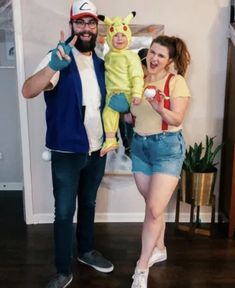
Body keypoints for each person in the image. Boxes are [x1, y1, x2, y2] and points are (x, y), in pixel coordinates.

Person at [22, 1, 114, 287]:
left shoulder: (101, 63)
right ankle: (63, 269)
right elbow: (28, 90)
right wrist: (52, 67)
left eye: (90, 23)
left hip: (96, 149)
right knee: (63, 212)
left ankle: (85, 251)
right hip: (66, 152)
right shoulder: (58, 56)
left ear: (97, 27)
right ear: (71, 24)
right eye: (80, 22)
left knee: (88, 203)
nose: (86, 28)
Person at [130, 35, 191, 288]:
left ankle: (141, 268)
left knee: (154, 210)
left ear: (170, 61)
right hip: (140, 147)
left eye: (161, 55)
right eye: (152, 52)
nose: (154, 58)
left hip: (167, 148)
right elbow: (133, 116)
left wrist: (158, 107)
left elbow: (176, 119)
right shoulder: (138, 80)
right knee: (153, 206)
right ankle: (160, 247)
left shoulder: (175, 82)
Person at [98, 12, 144, 157]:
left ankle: (130, 146)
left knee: (125, 121)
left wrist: (137, 93)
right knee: (107, 115)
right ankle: (111, 140)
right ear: (110, 38)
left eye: (123, 35)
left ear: (128, 37)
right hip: (112, 95)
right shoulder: (108, 56)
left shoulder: (131, 56)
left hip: (125, 94)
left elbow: (137, 75)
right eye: (116, 35)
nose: (119, 38)